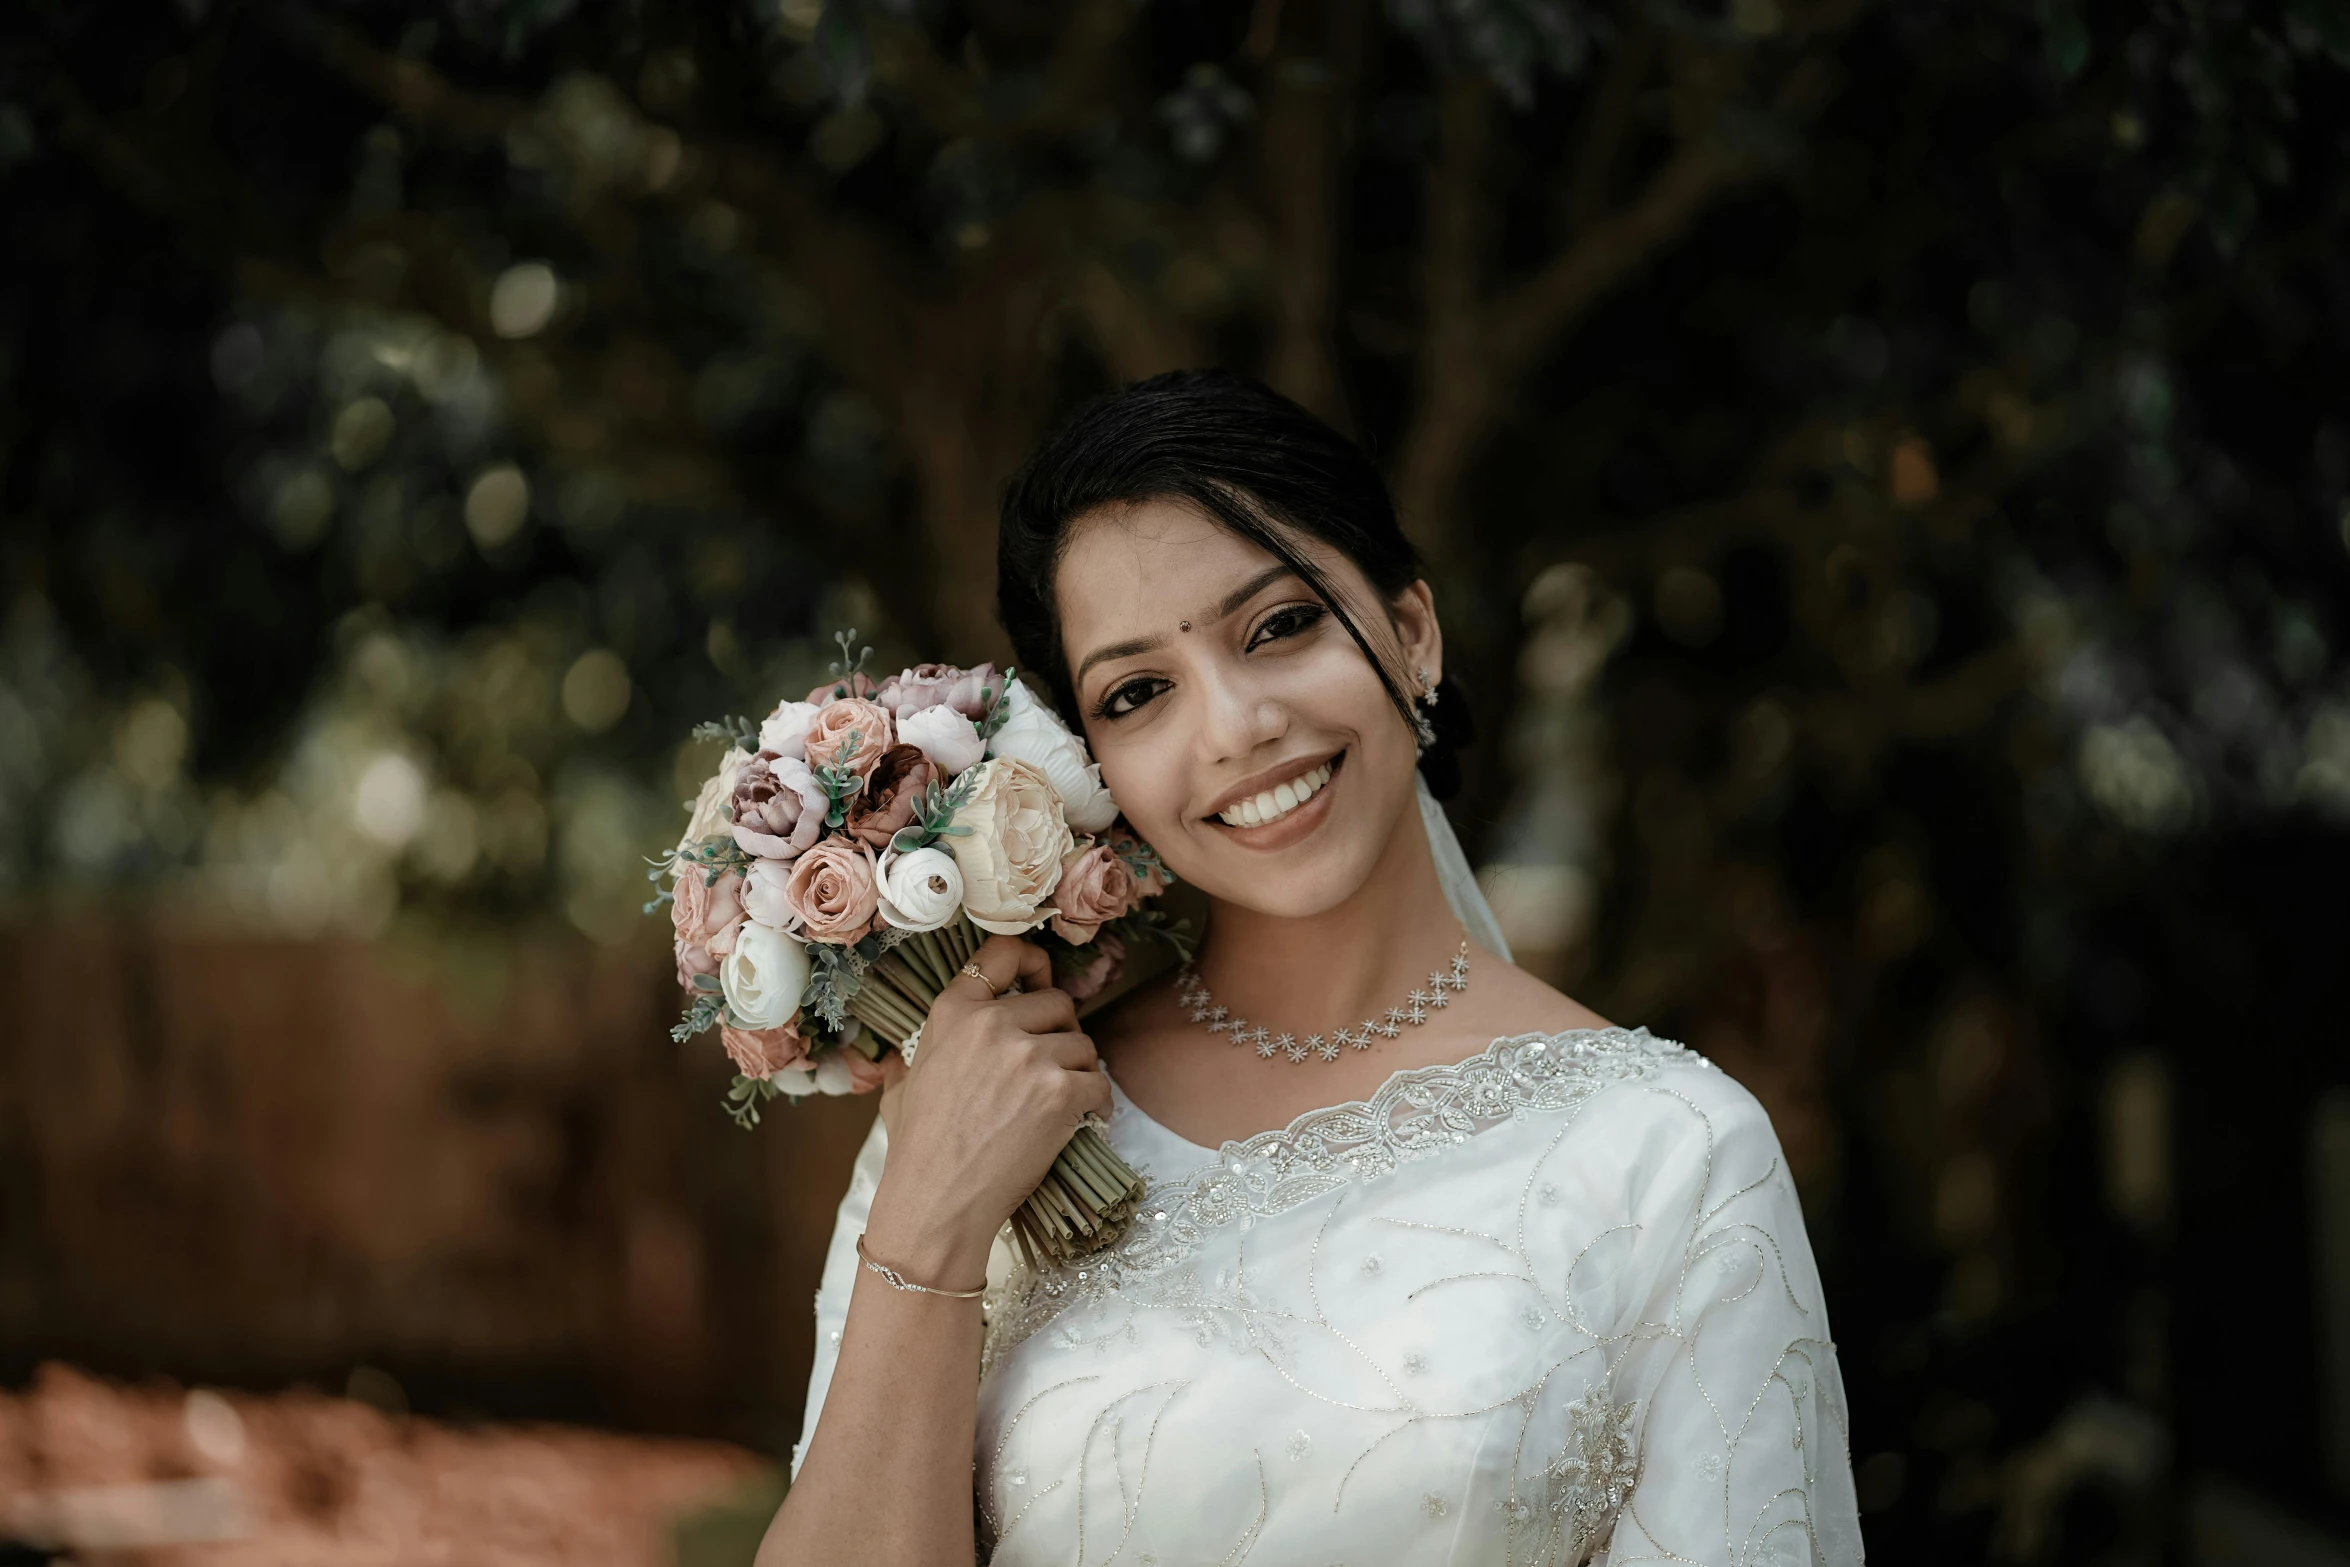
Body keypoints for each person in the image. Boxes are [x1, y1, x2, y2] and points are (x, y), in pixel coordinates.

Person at [759, 370, 1862, 1565]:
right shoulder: (981, 1123)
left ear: (1411, 631)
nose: (1234, 725)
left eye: (1278, 625)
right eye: (1139, 693)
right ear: (1097, 764)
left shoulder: (1670, 1156)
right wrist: (929, 1224)